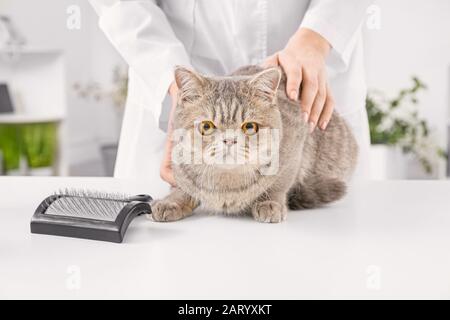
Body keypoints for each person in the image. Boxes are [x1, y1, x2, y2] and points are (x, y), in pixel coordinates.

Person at [90, 0, 372, 188]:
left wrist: (318, 35)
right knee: (171, 268)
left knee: (322, 265)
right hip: (177, 81)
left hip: (308, 79)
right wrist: (174, 83)